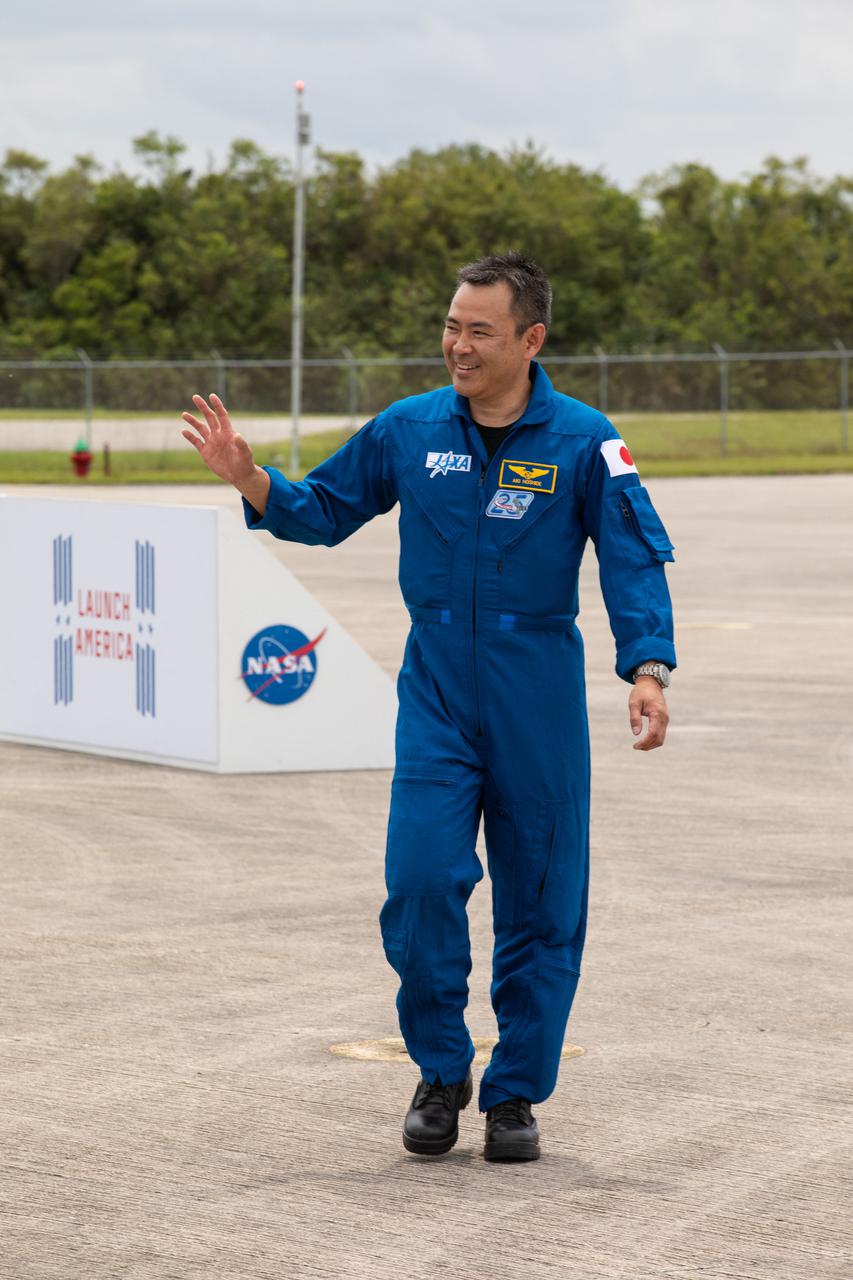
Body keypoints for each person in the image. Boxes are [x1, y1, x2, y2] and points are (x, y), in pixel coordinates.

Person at [181, 252, 676, 1163]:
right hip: (438, 688)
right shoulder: (407, 430)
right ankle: (442, 1072)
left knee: (541, 902)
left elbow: (632, 556)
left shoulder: (585, 440)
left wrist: (646, 665)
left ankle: (516, 1092)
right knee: (418, 882)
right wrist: (250, 479)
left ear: (530, 340)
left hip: (539, 691)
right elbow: (323, 509)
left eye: (479, 330)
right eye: (451, 324)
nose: (457, 344)